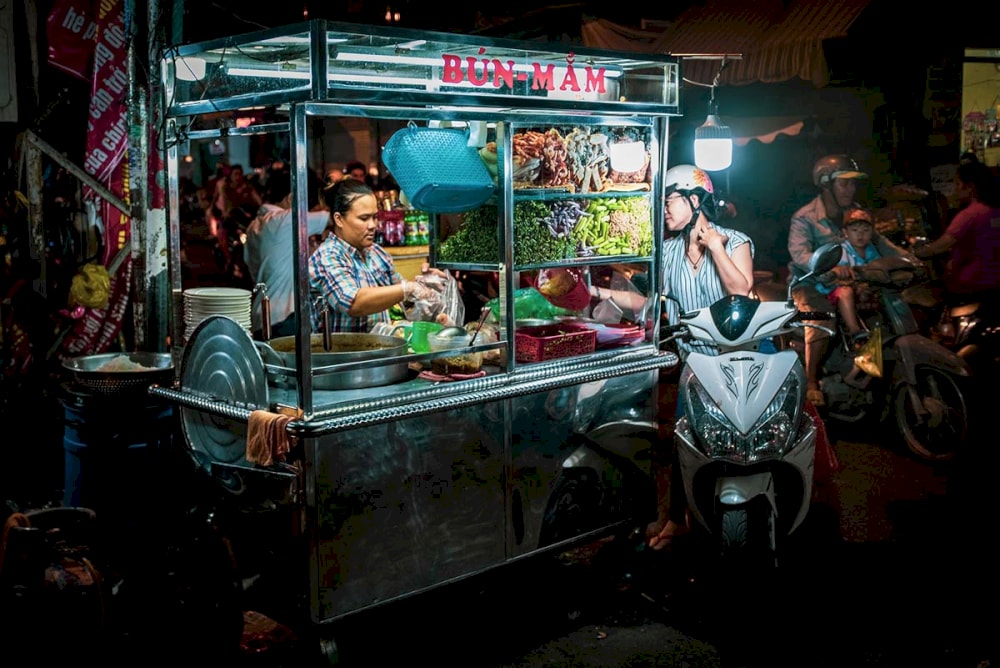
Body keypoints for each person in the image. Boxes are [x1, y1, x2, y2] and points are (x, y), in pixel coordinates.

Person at [589, 165, 754, 550]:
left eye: (670, 200)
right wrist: (596, 293)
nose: (664, 208)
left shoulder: (736, 241)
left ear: (695, 201)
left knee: (735, 443)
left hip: (737, 363)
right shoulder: (667, 252)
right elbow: (648, 302)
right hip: (694, 365)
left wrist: (715, 246)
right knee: (685, 443)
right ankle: (678, 519)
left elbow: (741, 292)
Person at [787, 155, 905, 406]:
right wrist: (828, 267)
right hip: (809, 284)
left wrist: (910, 260)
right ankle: (811, 381)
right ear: (826, 185)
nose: (850, 189)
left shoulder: (856, 214)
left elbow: (883, 244)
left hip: (850, 284)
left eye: (853, 184)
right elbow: (800, 255)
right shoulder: (805, 217)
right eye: (844, 183)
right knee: (822, 318)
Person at [308, 178, 444, 333]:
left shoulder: (377, 253)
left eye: (374, 217)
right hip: (342, 355)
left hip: (379, 351)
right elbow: (352, 303)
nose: (373, 225)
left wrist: (423, 288)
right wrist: (408, 288)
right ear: (339, 219)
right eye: (364, 218)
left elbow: (402, 300)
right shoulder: (327, 256)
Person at [243, 170, 330, 338]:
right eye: (307, 207)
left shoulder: (254, 226)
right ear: (291, 198)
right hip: (285, 318)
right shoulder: (287, 219)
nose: (307, 212)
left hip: (260, 316)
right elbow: (336, 217)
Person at [913, 160, 1000, 302]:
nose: (955, 189)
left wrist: (911, 255)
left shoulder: (970, 214)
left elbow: (938, 247)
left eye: (958, 184)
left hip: (970, 284)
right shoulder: (995, 210)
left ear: (970, 187)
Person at [815, 206, 882, 348]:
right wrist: (841, 272)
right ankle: (855, 331)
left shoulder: (872, 250)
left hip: (861, 290)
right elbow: (835, 277)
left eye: (865, 230)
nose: (860, 235)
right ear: (845, 232)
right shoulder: (842, 251)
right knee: (846, 291)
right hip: (832, 293)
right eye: (855, 230)